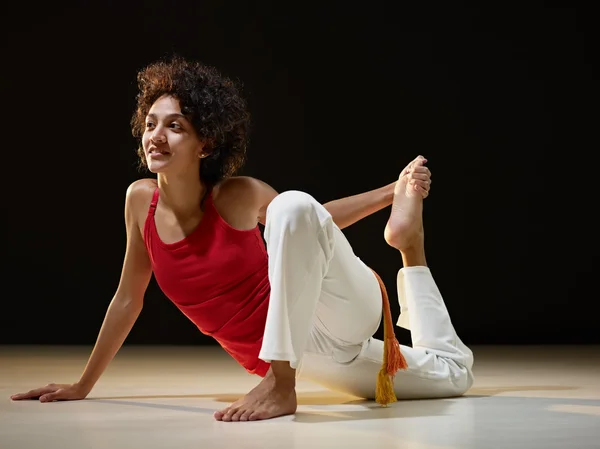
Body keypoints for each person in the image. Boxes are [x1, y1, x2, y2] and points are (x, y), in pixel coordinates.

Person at [11, 56, 474, 422]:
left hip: (334, 308)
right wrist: (82, 385)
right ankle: (411, 248)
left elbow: (315, 222)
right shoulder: (139, 203)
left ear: (205, 144)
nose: (156, 136)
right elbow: (127, 300)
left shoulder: (235, 197)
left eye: (175, 126)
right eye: (151, 123)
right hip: (306, 354)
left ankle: (281, 385)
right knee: (454, 376)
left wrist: (391, 190)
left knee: (293, 206)